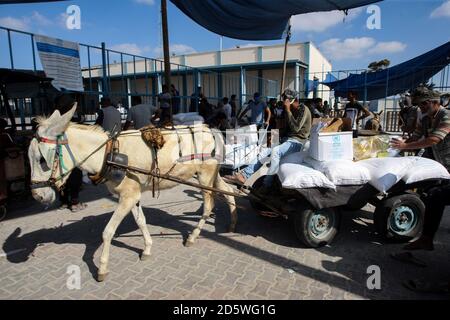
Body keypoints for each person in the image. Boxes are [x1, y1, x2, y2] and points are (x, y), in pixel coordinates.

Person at [224, 91, 312, 194]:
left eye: (285, 101)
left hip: (297, 141)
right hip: (287, 140)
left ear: (292, 100)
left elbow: (296, 129)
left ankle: (267, 185)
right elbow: (286, 129)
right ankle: (243, 176)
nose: (284, 103)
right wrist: (275, 135)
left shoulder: (303, 109)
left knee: (276, 151)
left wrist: (287, 110)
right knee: (263, 153)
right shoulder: (290, 109)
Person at [391, 86, 449, 171]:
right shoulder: (425, 120)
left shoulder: (446, 116)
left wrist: (405, 146)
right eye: (418, 104)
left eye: (424, 103)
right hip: (436, 162)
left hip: (447, 161)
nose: (421, 106)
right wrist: (396, 151)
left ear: (436, 102)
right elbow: (415, 137)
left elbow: (433, 140)